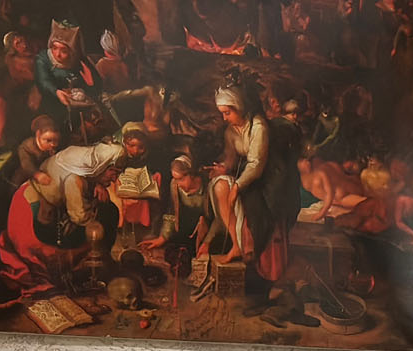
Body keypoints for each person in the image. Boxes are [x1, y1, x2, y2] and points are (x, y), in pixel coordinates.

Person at [0, 142, 124, 295]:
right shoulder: (74, 180)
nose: (115, 179)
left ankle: (95, 265)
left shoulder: (82, 162)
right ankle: (87, 269)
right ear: (102, 167)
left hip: (40, 204)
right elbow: (79, 217)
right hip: (28, 215)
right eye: (113, 173)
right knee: (104, 219)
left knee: (107, 212)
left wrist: (98, 186)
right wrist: (96, 212)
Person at [214, 81, 300, 285]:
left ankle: (268, 270)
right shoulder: (230, 132)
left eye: (227, 113)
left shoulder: (258, 126)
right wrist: (222, 168)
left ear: (239, 107)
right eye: (222, 113)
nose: (224, 118)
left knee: (259, 212)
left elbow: (256, 164)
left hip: (271, 178)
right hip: (250, 177)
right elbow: (231, 159)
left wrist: (237, 186)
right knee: (220, 186)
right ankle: (239, 248)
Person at [141, 155, 225, 257]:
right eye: (175, 179)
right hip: (185, 233)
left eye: (181, 179)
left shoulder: (209, 186)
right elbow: (171, 212)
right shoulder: (175, 185)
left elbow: (219, 218)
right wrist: (163, 237)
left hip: (211, 234)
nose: (178, 183)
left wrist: (207, 242)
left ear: (192, 175)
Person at [34, 19, 102, 136]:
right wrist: (56, 92)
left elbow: (96, 86)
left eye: (63, 51)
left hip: (78, 111)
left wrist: (90, 83)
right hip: (52, 107)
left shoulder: (79, 61)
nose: (57, 54)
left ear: (72, 51)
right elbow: (43, 81)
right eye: (54, 48)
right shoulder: (43, 59)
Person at [297, 154, 366, 221]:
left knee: (366, 203)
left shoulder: (320, 173)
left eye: (304, 159)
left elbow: (329, 193)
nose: (305, 161)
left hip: (341, 195)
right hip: (341, 197)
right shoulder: (305, 181)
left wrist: (322, 212)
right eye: (301, 161)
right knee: (364, 202)